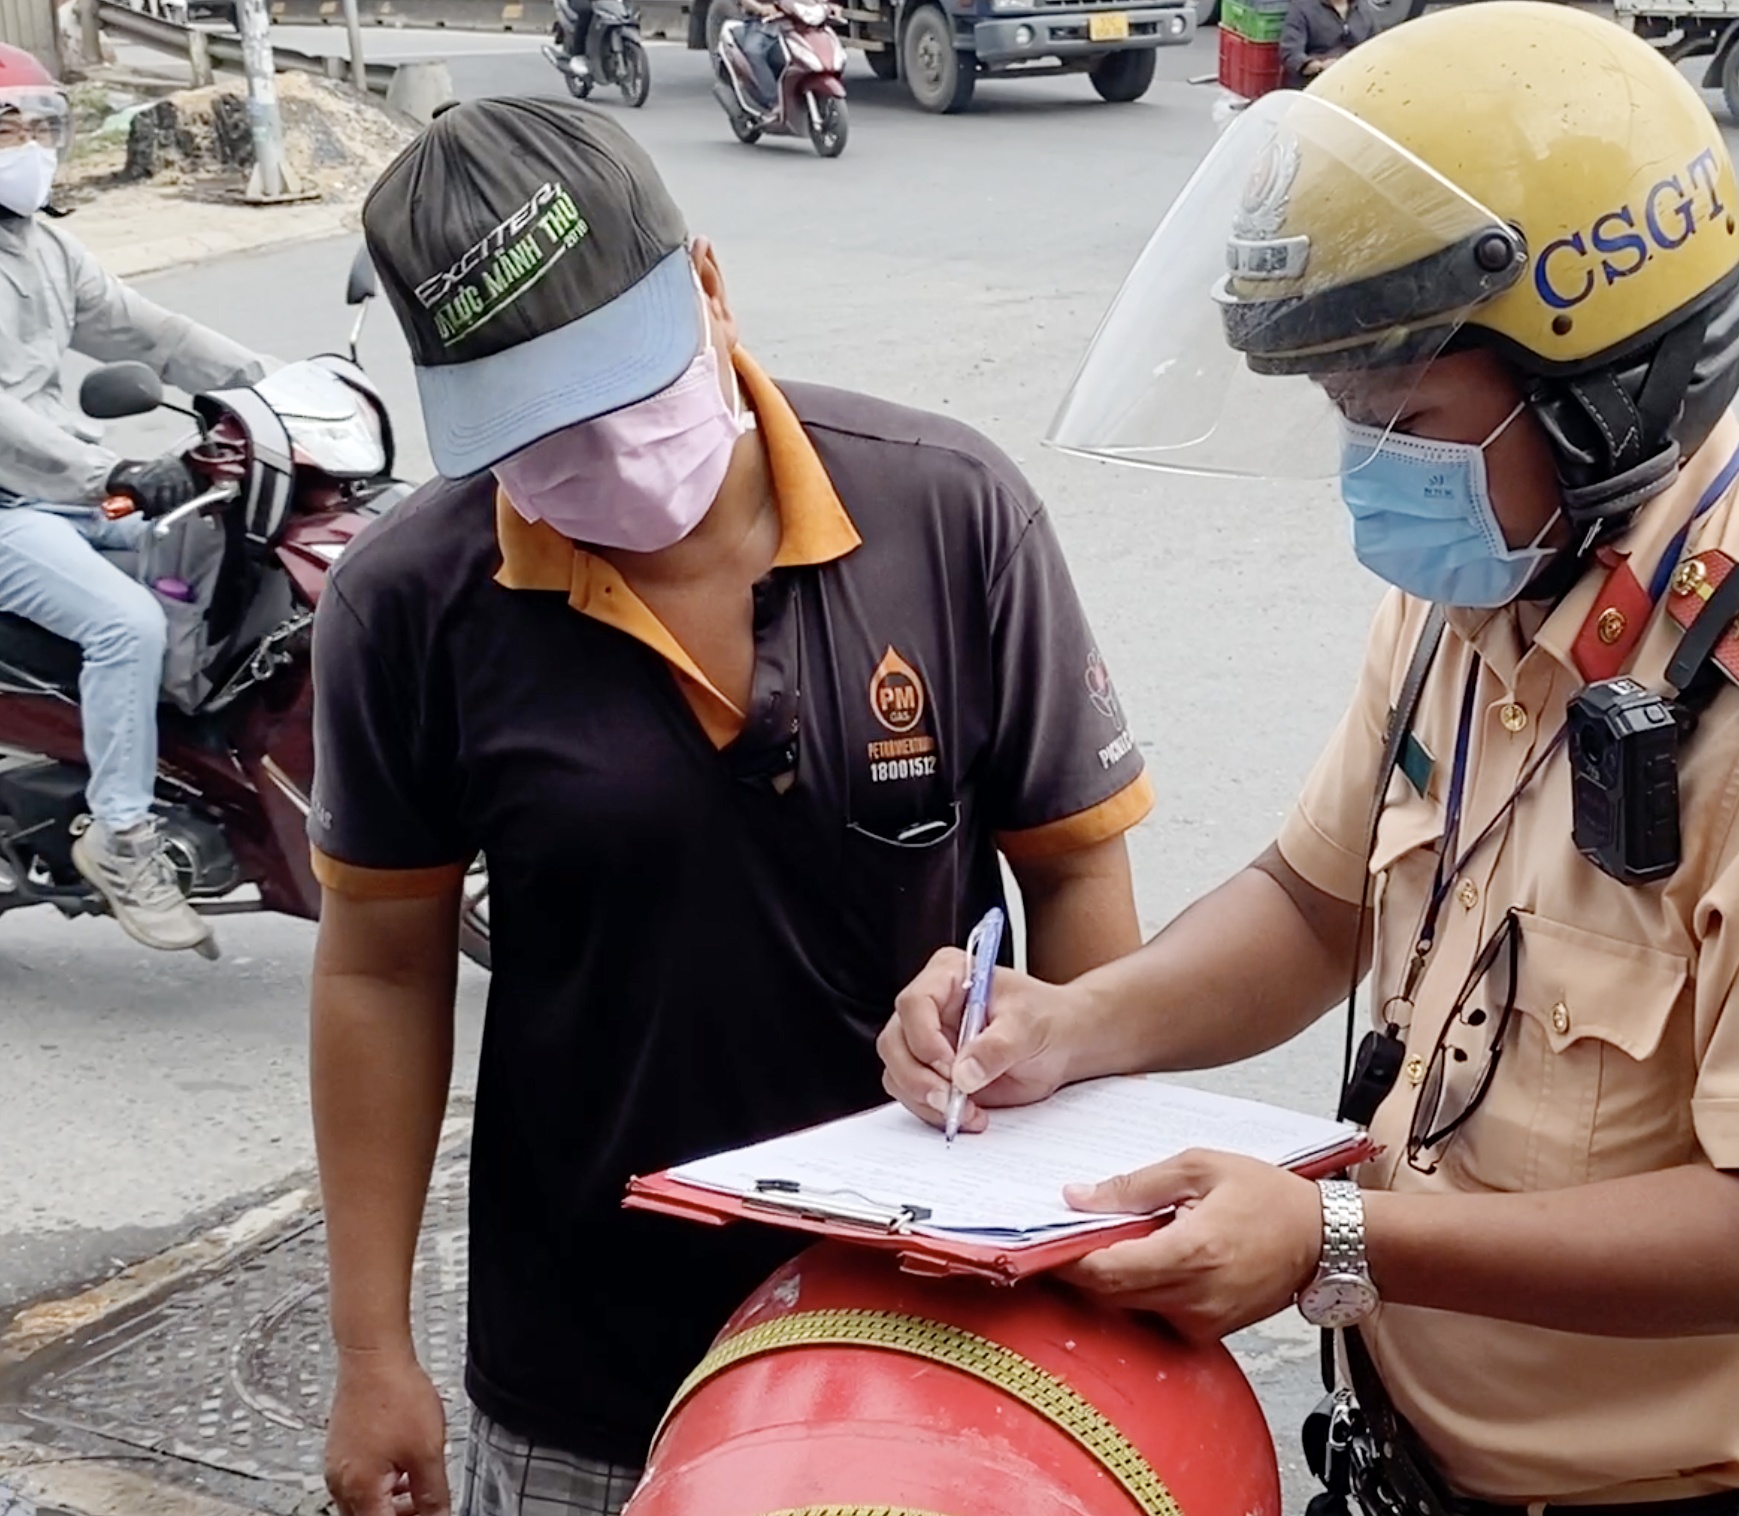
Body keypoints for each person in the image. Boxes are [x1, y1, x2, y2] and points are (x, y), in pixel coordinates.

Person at [879, 8, 1739, 1514]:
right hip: (1410, 1470)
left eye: (1405, 418)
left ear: (1602, 392)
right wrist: (1068, 1027)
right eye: (1345, 418)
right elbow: (1313, 902)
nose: (1371, 467)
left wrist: (1336, 1238)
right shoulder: (1480, 584)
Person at [310, 97, 1152, 1516]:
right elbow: (381, 971)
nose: (601, 454)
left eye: (620, 388)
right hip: (590, 1371)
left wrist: (1095, 1227)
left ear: (707, 284)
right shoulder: (408, 606)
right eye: (535, 429)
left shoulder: (949, 513)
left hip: (931, 1337)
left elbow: (1074, 880)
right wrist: (370, 1350)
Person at [0, 42, 268, 956]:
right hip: (13, 511)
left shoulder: (44, 247)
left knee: (218, 546)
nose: (31, 144)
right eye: (8, 126)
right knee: (127, 625)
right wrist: (106, 474)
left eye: (42, 125)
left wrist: (272, 387)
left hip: (67, 497)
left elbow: (148, 332)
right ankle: (122, 836)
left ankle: (197, 771)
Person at [1278, 0, 1382, 88]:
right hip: (1316, 84)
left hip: (1357, 81)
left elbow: (1377, 46)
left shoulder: (1364, 8)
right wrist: (1319, 66)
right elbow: (1290, 53)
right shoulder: (1302, 7)